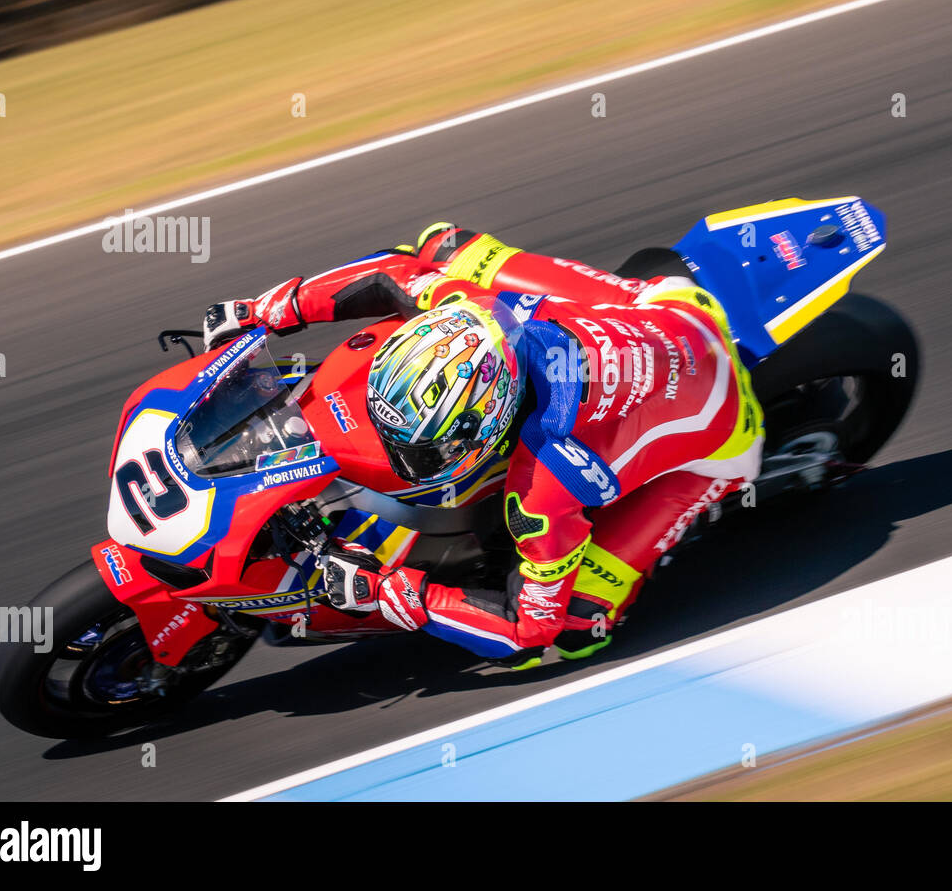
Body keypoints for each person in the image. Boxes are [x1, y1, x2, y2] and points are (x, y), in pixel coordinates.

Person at [202, 223, 763, 668]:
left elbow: (528, 629)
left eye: (429, 451)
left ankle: (715, 483)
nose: (410, 460)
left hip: (723, 425)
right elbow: (394, 274)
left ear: (488, 424)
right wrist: (266, 310)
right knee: (440, 245)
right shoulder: (466, 312)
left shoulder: (547, 484)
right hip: (665, 307)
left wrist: (393, 594)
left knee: (576, 628)